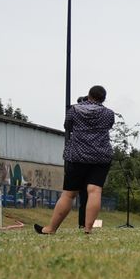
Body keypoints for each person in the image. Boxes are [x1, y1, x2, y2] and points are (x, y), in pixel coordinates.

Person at [37, 85, 114, 236]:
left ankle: (51, 228)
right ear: (103, 98)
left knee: (69, 194)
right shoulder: (109, 114)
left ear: (88, 95)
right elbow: (108, 126)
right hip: (101, 155)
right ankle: (88, 228)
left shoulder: (74, 110)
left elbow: (67, 126)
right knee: (95, 190)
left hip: (77, 155)